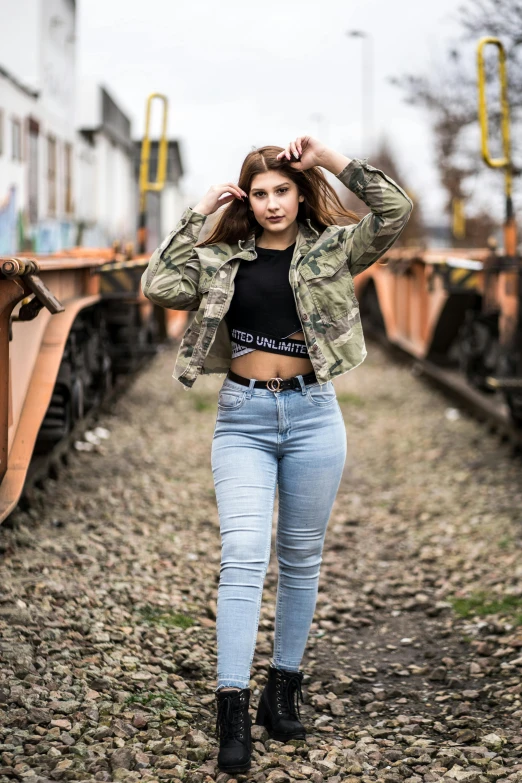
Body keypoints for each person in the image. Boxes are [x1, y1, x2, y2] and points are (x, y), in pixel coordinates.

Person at [141, 136, 413, 774]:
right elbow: (157, 285)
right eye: (259, 193)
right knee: (242, 557)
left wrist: (331, 160)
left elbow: (395, 211)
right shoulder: (221, 258)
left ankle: (282, 688)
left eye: (281, 191)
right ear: (248, 198)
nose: (271, 204)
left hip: (316, 416)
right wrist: (200, 213)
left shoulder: (331, 248)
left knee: (301, 559)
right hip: (244, 418)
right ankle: (230, 706)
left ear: (298, 192)